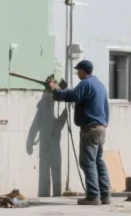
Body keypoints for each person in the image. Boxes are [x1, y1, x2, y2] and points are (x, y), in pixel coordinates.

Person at [47, 60, 111, 205]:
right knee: (98, 161)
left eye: (78, 71)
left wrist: (55, 90)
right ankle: (105, 195)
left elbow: (74, 96)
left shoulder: (85, 84)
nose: (77, 73)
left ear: (83, 71)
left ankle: (93, 196)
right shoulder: (99, 85)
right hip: (101, 128)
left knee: (88, 163)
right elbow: (105, 106)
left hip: (90, 129)